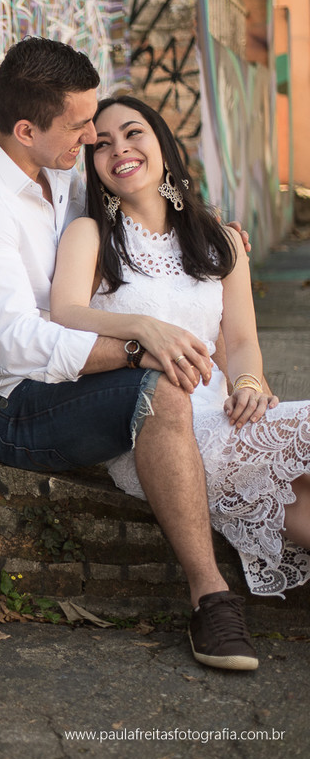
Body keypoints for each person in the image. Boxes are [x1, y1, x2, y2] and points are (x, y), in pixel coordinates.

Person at [0, 37, 259, 671]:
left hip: (64, 383)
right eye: (82, 124)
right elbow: (16, 342)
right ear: (26, 129)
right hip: (13, 405)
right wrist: (137, 345)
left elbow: (137, 207)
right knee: (161, 388)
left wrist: (212, 234)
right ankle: (210, 598)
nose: (92, 138)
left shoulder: (50, 170)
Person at [50, 94, 310, 603]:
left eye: (132, 133)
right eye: (101, 145)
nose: (119, 149)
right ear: (94, 165)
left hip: (226, 413)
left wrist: (251, 386)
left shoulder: (221, 240)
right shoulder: (90, 235)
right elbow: (66, 314)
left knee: (299, 499)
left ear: (163, 145)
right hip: (153, 427)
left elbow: (239, 342)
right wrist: (143, 327)